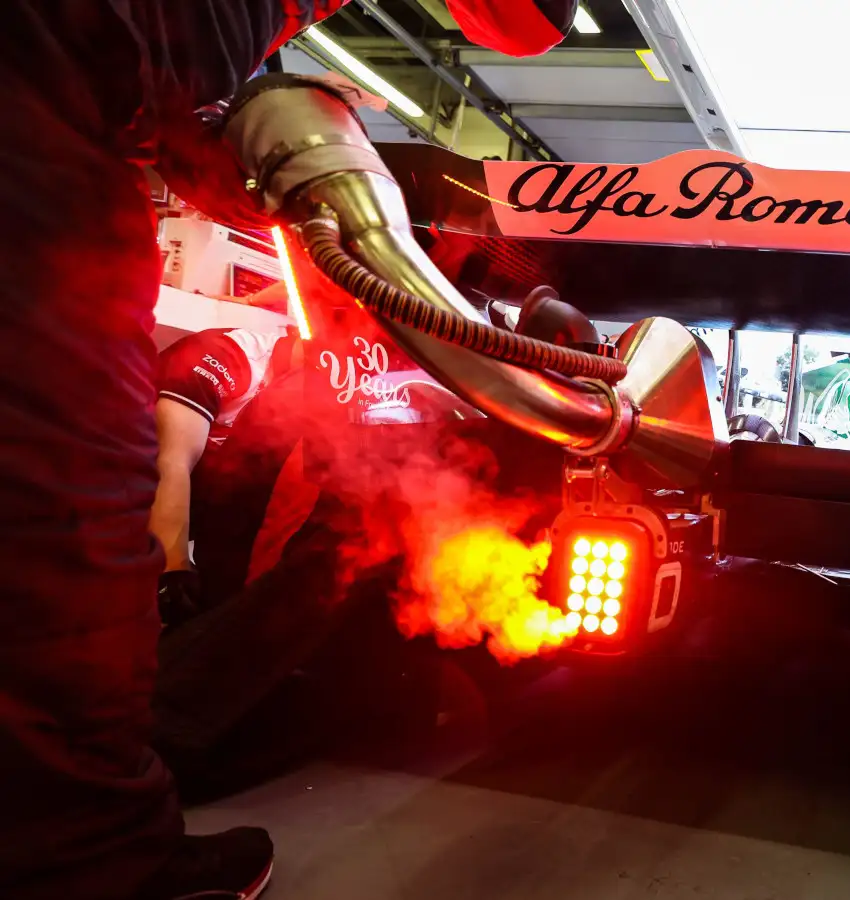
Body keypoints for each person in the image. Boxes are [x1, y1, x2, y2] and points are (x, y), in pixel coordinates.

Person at [0, 3, 575, 898]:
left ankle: (105, 798)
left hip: (392, 614)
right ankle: (117, 803)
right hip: (283, 581)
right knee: (361, 520)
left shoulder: (439, 369)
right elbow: (169, 425)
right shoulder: (274, 343)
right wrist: (169, 539)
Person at [152, 326, 302, 627]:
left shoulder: (313, 391)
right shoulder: (231, 356)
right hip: (120, 481)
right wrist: (175, 571)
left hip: (201, 500)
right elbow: (172, 461)